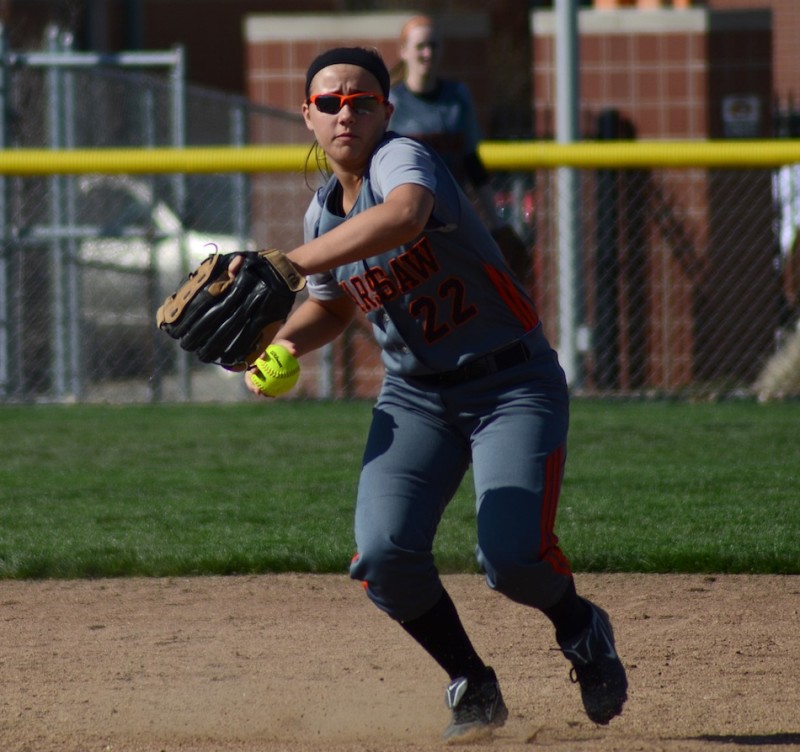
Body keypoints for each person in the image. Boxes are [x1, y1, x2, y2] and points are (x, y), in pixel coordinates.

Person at [244, 46, 628, 741]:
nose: (345, 113)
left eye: (362, 101)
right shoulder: (320, 217)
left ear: (386, 111)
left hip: (511, 382)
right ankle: (472, 683)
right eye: (329, 102)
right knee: (383, 556)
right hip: (417, 397)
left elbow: (405, 217)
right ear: (307, 116)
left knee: (510, 559)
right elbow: (332, 308)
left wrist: (288, 265)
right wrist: (281, 344)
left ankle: (580, 625)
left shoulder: (403, 159)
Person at [389, 15, 531, 282]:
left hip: (452, 218)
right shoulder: (392, 102)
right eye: (420, 46)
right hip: (408, 223)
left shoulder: (457, 95)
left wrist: (496, 222)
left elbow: (471, 161)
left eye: (433, 45)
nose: (427, 52)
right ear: (404, 51)